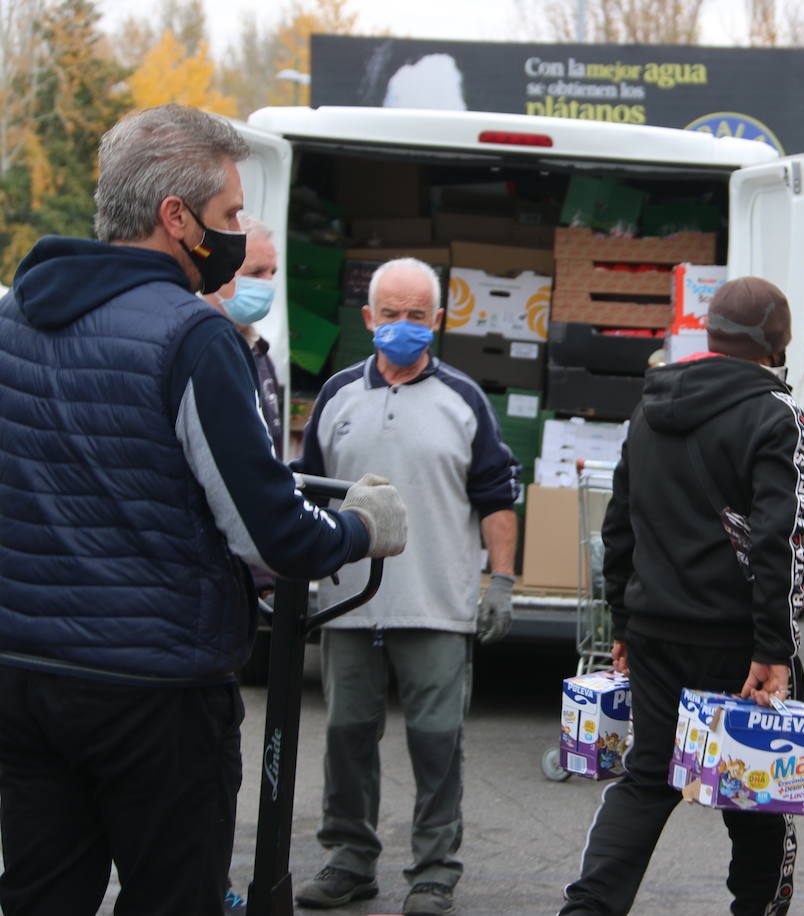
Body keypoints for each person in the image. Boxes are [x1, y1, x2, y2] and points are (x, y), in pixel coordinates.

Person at [0, 104, 407, 916]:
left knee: (41, 896)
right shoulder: (193, 338)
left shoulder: (12, 318)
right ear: (175, 218)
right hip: (156, 692)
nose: (235, 236)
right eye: (227, 217)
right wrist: (360, 528)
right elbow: (269, 535)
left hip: (24, 678)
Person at [560, 276, 804, 916]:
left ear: (709, 330)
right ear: (778, 342)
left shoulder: (650, 404)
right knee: (753, 791)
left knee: (646, 780)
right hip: (735, 637)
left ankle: (588, 909)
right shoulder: (776, 414)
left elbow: (619, 523)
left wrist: (622, 618)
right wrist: (774, 649)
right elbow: (778, 538)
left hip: (654, 629)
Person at [293, 257, 520, 916]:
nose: (401, 326)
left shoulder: (464, 400)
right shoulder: (337, 395)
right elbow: (306, 494)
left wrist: (500, 581)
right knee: (348, 734)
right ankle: (350, 858)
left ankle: (434, 868)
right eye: (389, 314)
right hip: (346, 602)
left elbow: (496, 499)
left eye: (416, 315)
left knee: (436, 737)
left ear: (438, 322)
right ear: (368, 318)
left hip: (437, 603)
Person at [202, 213, 285, 459]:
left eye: (272, 272)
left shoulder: (258, 349)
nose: (269, 284)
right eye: (257, 272)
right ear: (216, 271)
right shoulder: (197, 350)